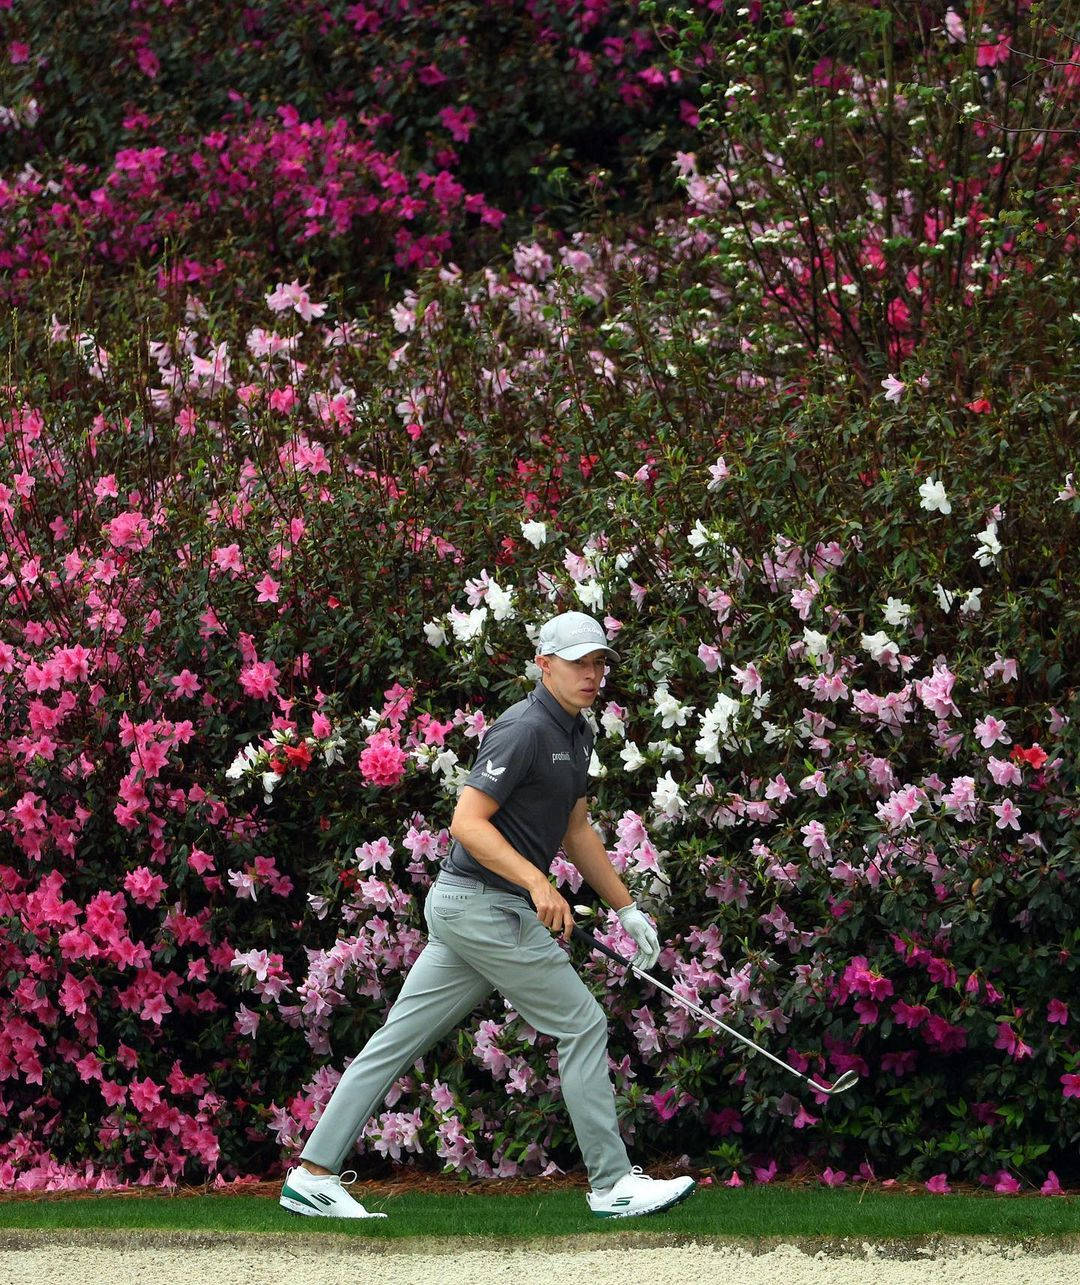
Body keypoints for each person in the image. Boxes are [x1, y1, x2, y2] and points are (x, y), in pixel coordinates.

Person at [280, 610, 695, 1220]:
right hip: (481, 904)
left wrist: (627, 908)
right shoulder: (523, 729)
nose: (592, 673)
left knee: (398, 1039)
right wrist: (536, 882)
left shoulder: (577, 733)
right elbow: (466, 823)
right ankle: (612, 1185)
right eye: (579, 661)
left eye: (599, 661)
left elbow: (576, 829)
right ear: (544, 664)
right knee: (581, 1023)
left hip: (469, 907)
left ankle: (311, 1174)